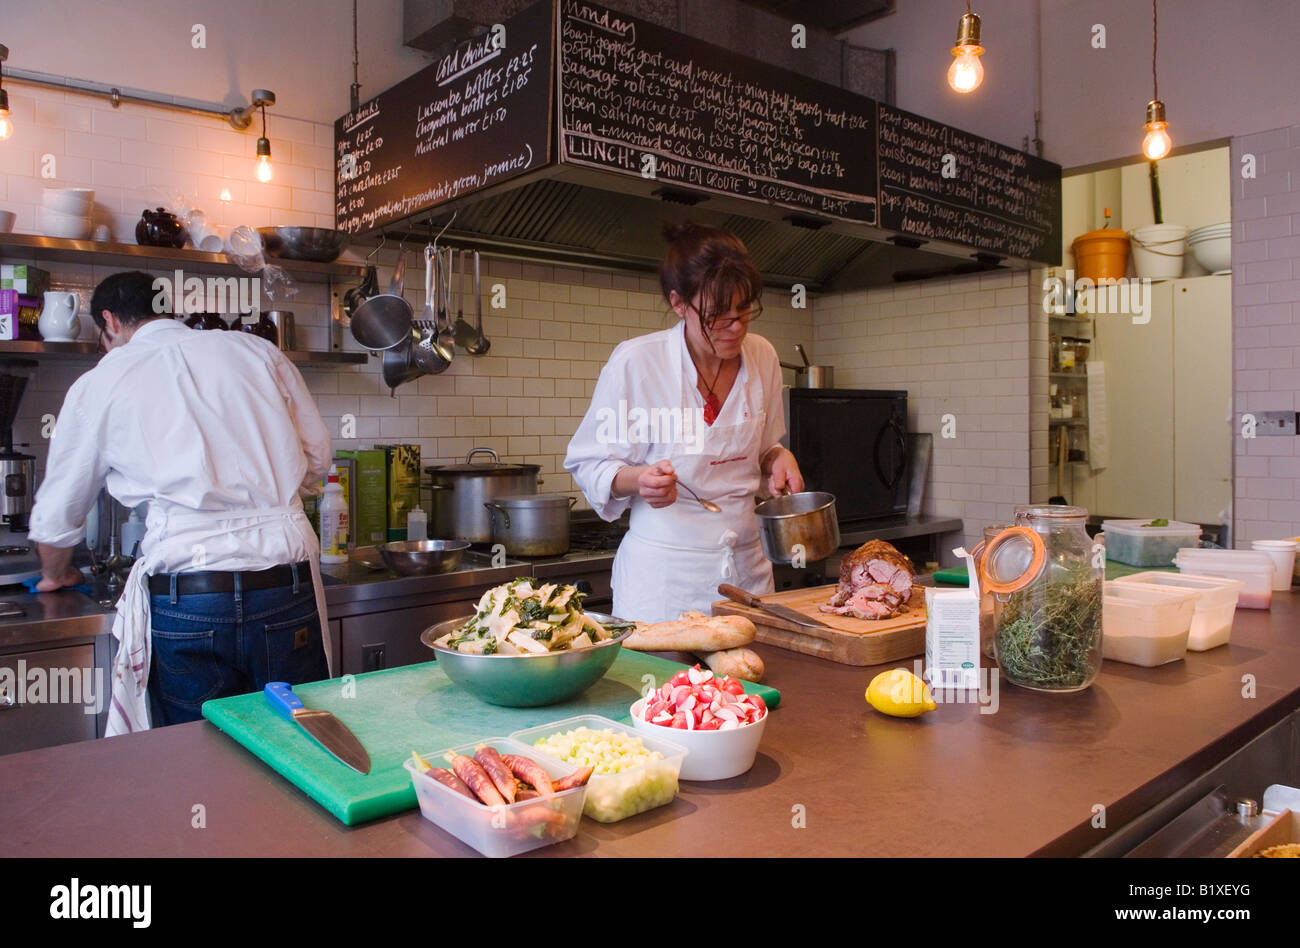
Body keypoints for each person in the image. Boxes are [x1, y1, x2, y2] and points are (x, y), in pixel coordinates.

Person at [28, 270, 335, 733]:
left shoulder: (101, 381)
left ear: (109, 321)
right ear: (165, 306)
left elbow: (56, 518)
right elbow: (317, 456)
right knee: (301, 747)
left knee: (200, 756)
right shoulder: (254, 351)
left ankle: (204, 812)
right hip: (283, 583)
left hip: (188, 595)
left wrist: (56, 574)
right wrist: (276, 495)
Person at [565, 223, 804, 622]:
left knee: (750, 684)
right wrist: (639, 479)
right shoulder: (637, 363)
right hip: (663, 586)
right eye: (716, 316)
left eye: (744, 311)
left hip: (747, 576)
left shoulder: (762, 356)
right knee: (663, 685)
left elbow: (764, 448)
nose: (736, 328)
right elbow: (590, 464)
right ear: (679, 303)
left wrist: (778, 457)